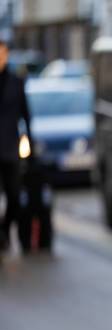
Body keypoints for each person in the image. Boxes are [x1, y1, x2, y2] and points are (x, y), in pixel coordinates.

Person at [0, 38, 33, 252]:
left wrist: (30, 143)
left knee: (14, 195)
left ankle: (3, 231)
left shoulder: (16, 81)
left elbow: (26, 115)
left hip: (10, 147)